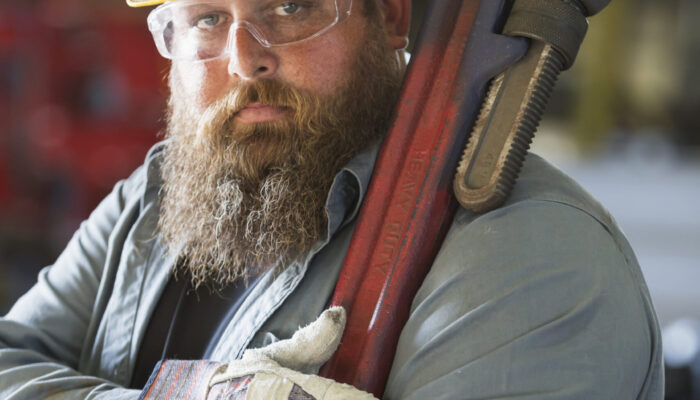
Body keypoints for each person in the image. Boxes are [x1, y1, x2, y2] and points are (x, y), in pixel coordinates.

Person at [0, 0, 664, 398]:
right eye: (206, 18)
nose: (244, 59)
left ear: (391, 17)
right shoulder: (155, 201)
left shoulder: (533, 259)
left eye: (290, 8)